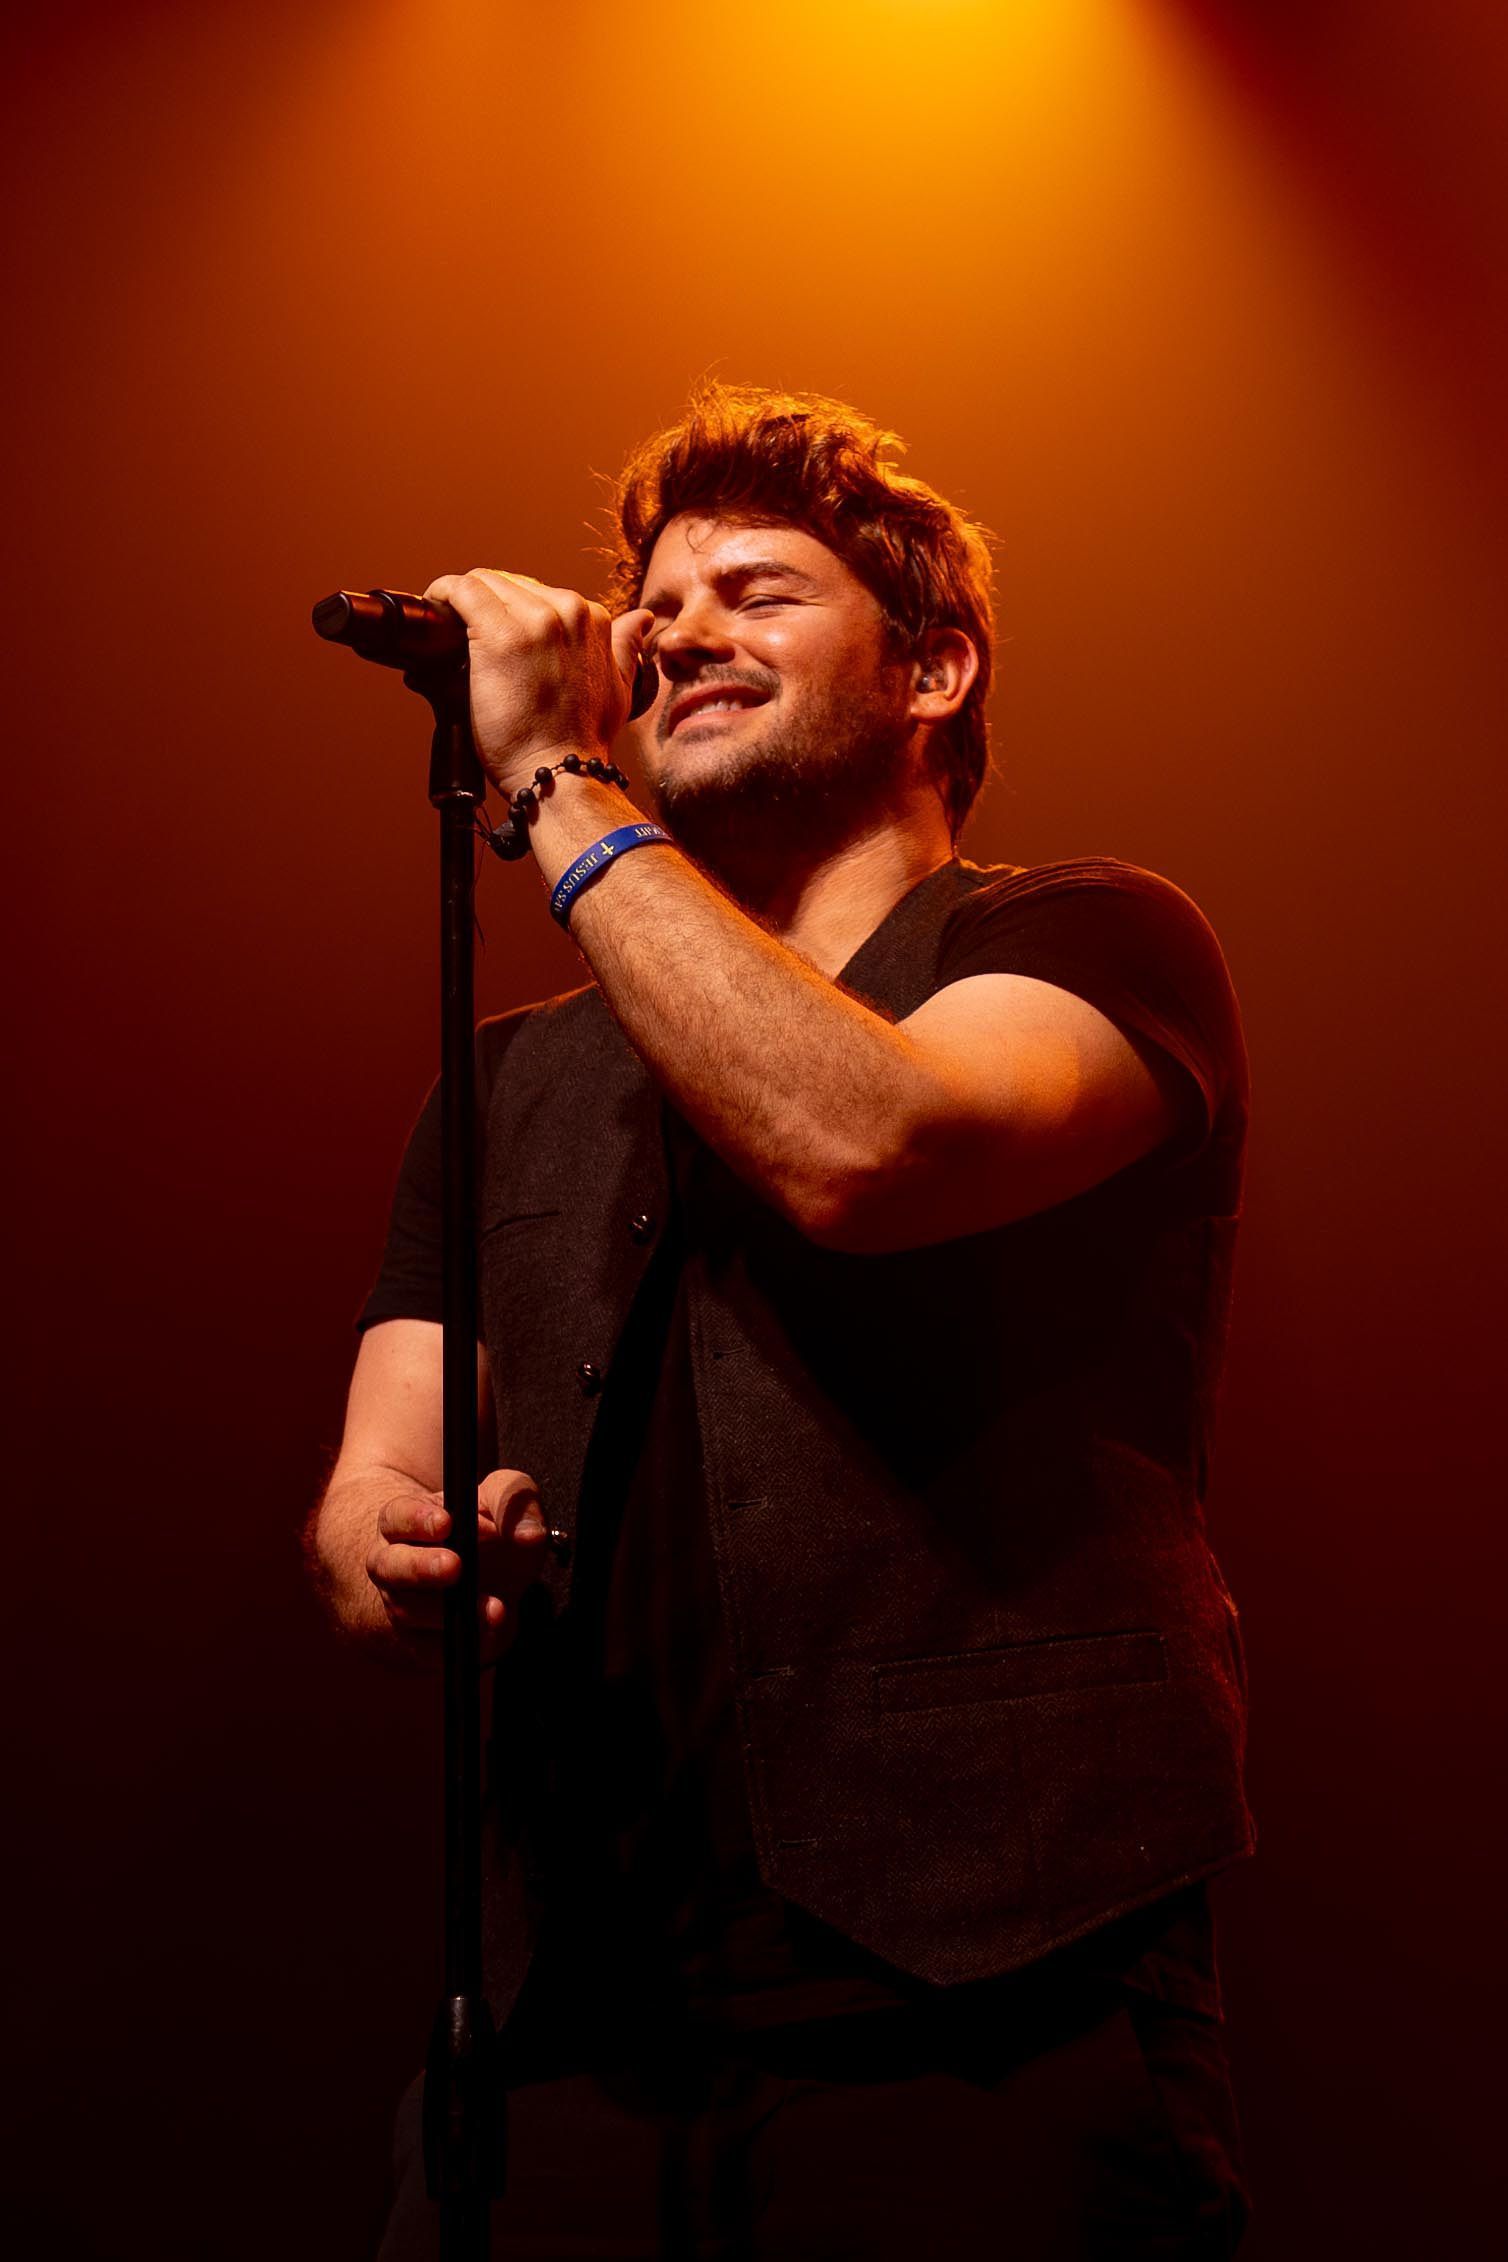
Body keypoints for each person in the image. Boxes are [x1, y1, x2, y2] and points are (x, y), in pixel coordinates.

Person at [309, 385, 1254, 2259]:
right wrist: (394, 1550)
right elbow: (368, 1482)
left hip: (982, 2017)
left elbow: (867, 1142)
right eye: (654, 613)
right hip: (569, 2042)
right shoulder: (500, 1084)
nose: (678, 636)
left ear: (934, 669)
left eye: (759, 590)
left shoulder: (1089, 940)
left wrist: (557, 784)